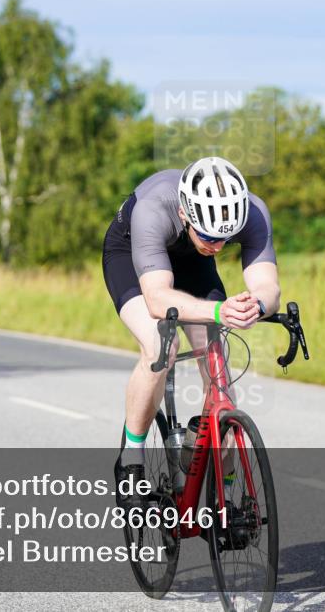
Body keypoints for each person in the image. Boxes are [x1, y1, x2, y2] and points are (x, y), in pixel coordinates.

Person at [101, 157, 281, 508]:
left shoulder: (252, 212)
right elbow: (156, 298)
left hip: (192, 263)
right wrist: (218, 310)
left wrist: (256, 306)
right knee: (159, 346)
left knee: (216, 359)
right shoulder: (153, 209)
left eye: (227, 238)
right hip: (132, 254)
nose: (219, 246)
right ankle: (132, 458)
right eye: (211, 237)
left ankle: (223, 489)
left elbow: (268, 286)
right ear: (185, 214)